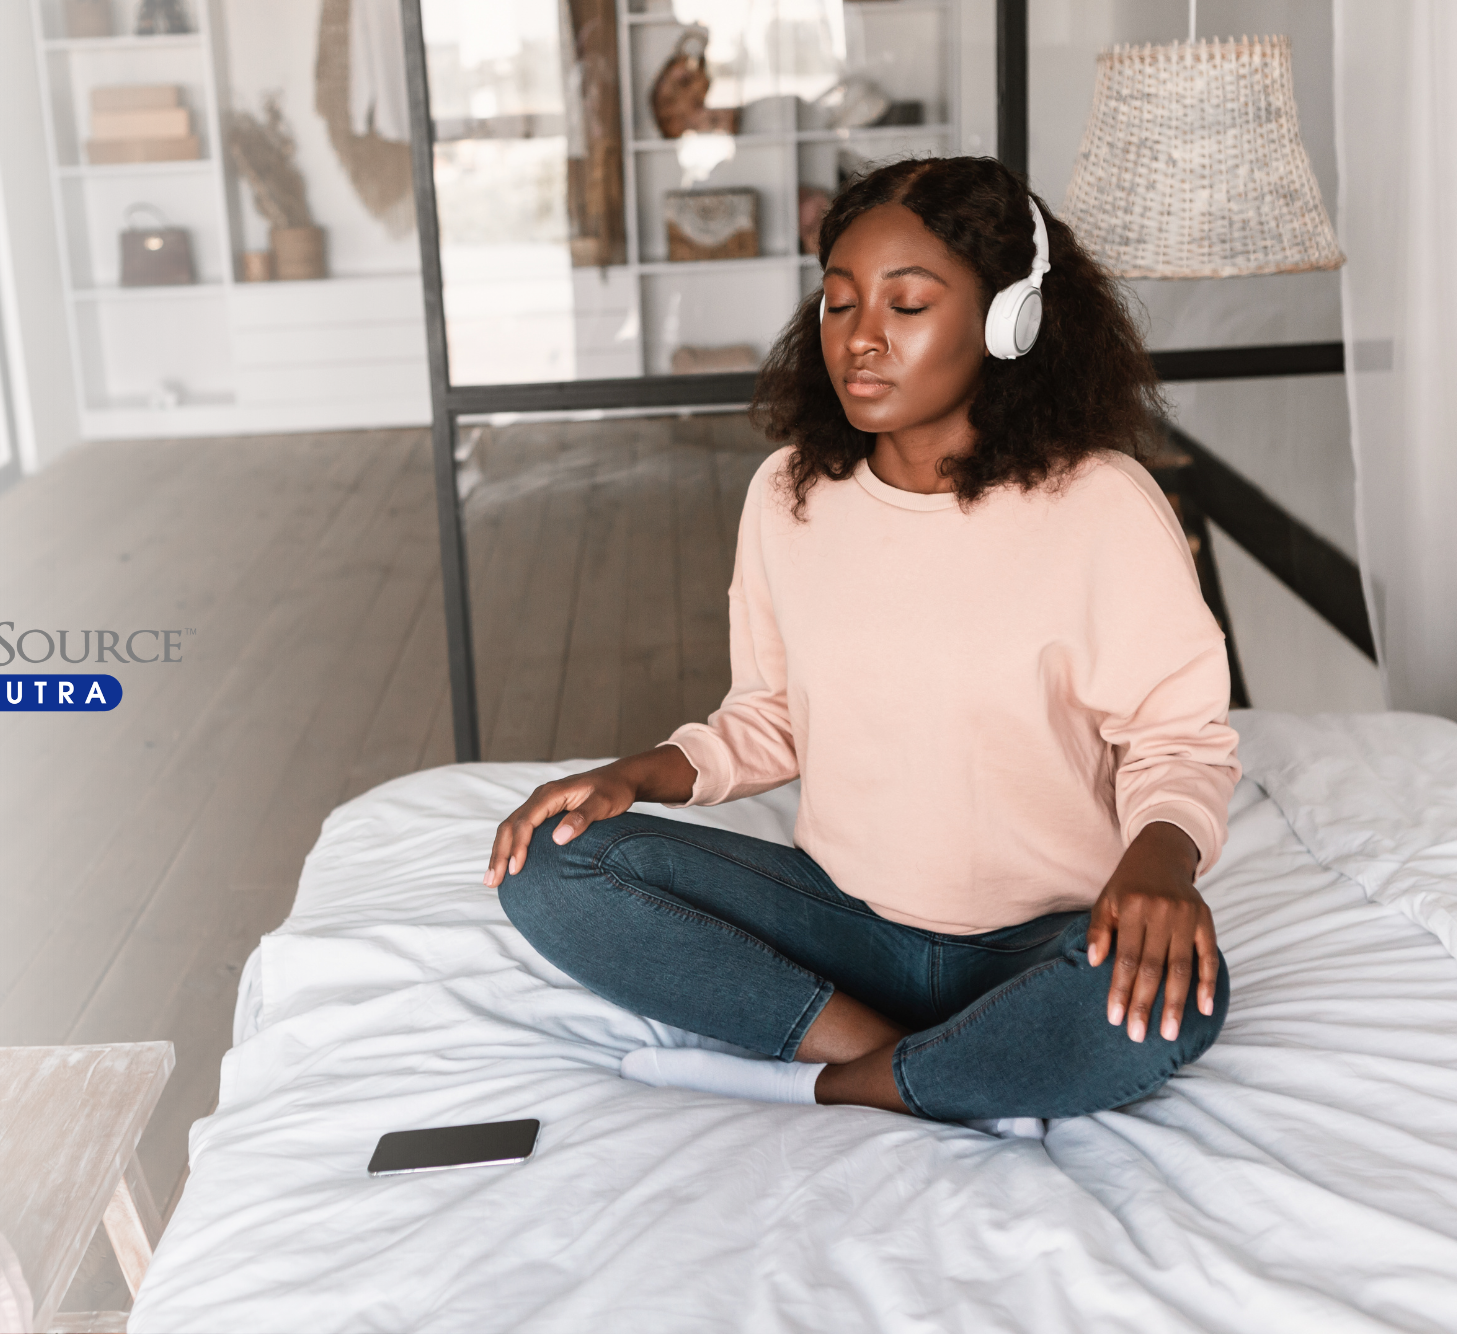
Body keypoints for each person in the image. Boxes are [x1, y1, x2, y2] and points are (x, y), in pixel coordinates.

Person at [484, 156, 1240, 1128]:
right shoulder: (789, 492)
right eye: (838, 303)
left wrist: (1159, 865)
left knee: (1175, 999)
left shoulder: (1098, 505)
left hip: (1045, 939)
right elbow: (769, 716)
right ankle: (923, 1062)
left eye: (907, 303)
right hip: (842, 926)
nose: (861, 339)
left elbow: (1176, 742)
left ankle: (831, 1077)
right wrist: (637, 775)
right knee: (550, 862)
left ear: (1008, 317)